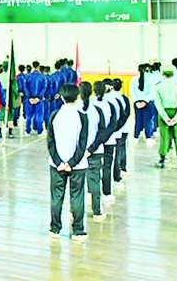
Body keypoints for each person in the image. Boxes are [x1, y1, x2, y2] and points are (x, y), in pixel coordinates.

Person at [47, 83, 89, 242]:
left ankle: (55, 228)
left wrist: (59, 161)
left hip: (56, 164)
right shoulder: (82, 116)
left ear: (62, 97)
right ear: (77, 97)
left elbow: (50, 141)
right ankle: (78, 230)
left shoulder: (54, 115)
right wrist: (72, 162)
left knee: (56, 197)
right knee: (77, 196)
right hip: (78, 165)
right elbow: (82, 143)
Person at [79, 82, 107, 222]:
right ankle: (97, 211)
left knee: (77, 185)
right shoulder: (97, 110)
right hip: (94, 152)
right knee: (95, 182)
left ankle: (75, 212)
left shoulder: (74, 110)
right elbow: (102, 132)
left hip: (77, 155)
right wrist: (91, 149)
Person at [155, 66, 177, 170]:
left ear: (163, 74)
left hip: (164, 112)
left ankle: (162, 160)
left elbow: (158, 104)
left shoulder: (158, 87)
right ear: (173, 74)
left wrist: (165, 117)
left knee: (164, 137)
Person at [95, 81, 118, 206]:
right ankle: (107, 193)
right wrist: (106, 136)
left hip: (95, 142)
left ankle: (92, 192)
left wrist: (99, 139)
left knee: (93, 168)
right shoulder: (110, 105)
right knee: (107, 167)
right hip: (109, 140)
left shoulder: (90, 104)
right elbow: (114, 123)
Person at [130, 64, 155, 144]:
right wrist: (145, 101)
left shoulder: (133, 79)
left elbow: (132, 92)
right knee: (148, 120)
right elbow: (152, 92)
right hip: (148, 103)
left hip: (137, 103)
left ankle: (136, 136)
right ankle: (148, 136)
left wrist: (136, 101)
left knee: (138, 119)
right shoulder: (150, 79)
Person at [25, 61, 46, 135]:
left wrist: (29, 97)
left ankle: (28, 131)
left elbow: (25, 87)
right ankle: (39, 131)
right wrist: (39, 97)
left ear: (32, 66)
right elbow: (44, 88)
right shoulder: (43, 77)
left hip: (29, 99)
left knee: (28, 115)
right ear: (38, 66)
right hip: (39, 99)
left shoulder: (27, 76)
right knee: (39, 115)